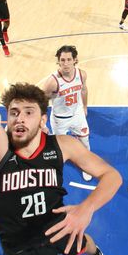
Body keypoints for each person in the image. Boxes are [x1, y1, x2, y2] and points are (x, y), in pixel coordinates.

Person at [0, 0, 121, 255]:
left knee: (83, 242)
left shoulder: (62, 145)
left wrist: (86, 208)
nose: (19, 117)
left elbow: (111, 175)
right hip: (19, 243)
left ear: (43, 119)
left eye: (28, 112)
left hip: (58, 224)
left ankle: (96, 254)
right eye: (14, 111)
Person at [41, 45, 93, 182]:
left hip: (77, 115)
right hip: (60, 119)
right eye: (62, 60)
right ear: (58, 62)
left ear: (75, 60)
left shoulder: (81, 74)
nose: (65, 64)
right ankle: (57, 165)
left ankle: (85, 165)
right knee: (61, 147)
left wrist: (85, 107)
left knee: (85, 141)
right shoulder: (52, 82)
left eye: (69, 59)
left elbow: (84, 90)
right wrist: (42, 123)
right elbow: (41, 103)